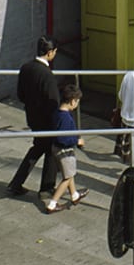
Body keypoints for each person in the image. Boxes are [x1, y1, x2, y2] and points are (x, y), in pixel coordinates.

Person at [7, 36, 61, 200]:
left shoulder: (26, 68)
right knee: (51, 151)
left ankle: (16, 183)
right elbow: (54, 102)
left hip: (33, 117)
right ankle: (46, 188)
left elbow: (21, 94)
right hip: (47, 121)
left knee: (37, 148)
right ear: (50, 52)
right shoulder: (47, 75)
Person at [42, 81, 87, 213]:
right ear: (72, 101)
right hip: (65, 151)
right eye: (77, 101)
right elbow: (64, 138)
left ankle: (74, 195)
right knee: (67, 177)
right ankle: (52, 204)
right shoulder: (66, 118)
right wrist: (77, 141)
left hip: (56, 148)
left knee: (69, 173)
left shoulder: (57, 112)